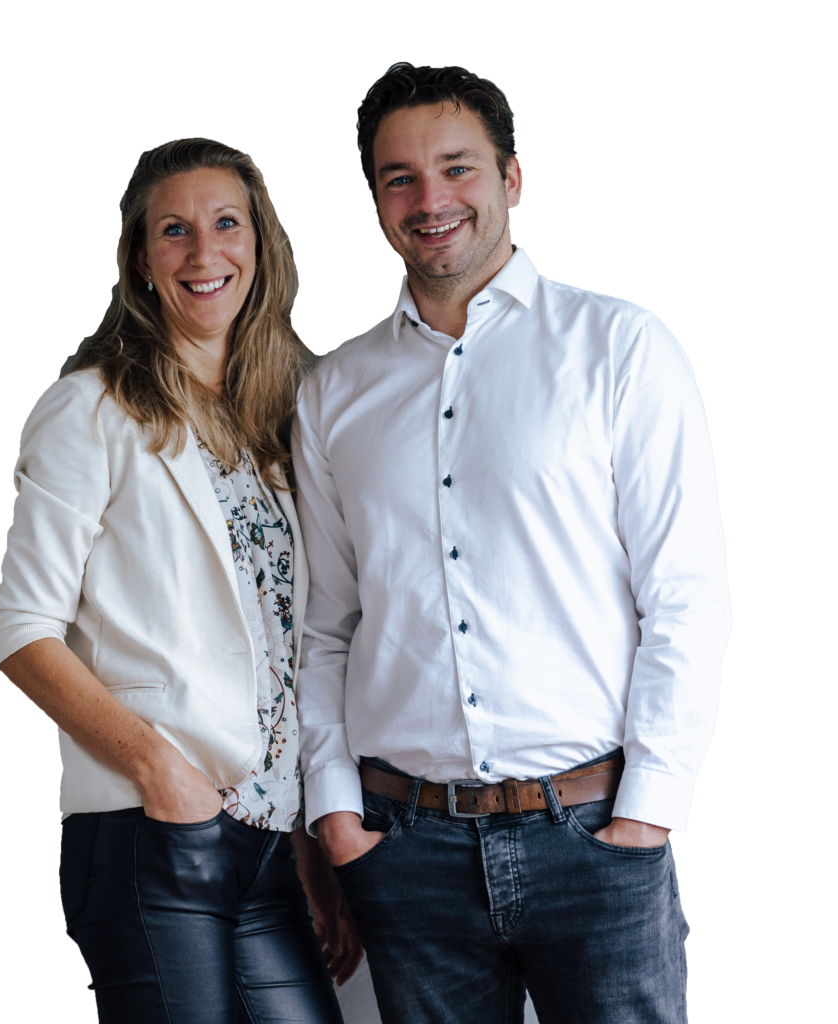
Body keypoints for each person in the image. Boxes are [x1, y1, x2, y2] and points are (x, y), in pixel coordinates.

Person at [292, 63, 732, 1024]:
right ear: (375, 201)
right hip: (404, 847)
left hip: (596, 835)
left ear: (513, 177)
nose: (431, 200)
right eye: (400, 178)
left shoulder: (622, 348)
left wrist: (646, 814)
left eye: (457, 168)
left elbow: (687, 599)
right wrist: (337, 816)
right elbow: (323, 627)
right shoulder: (334, 391)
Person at [0, 137, 362, 1024]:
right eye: (174, 231)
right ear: (141, 261)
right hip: (149, 831)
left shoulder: (280, 422)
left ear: (260, 245)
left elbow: (280, 646)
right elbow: (21, 632)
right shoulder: (89, 409)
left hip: (269, 846)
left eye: (226, 224)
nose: (204, 253)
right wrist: (160, 769)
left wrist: (308, 846)